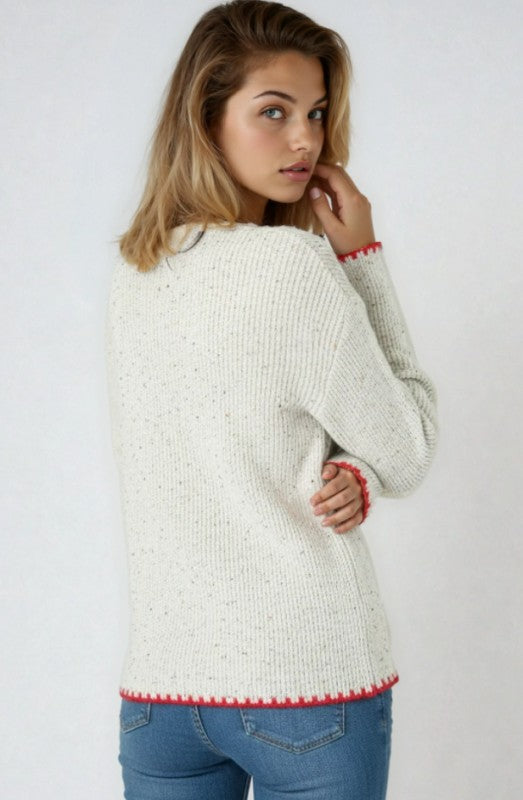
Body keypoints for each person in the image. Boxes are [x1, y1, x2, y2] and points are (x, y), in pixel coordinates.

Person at [105, 1, 439, 798]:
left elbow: (238, 438)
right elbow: (409, 449)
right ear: (206, 118)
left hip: (161, 692)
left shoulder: (134, 271)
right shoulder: (292, 267)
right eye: (273, 111)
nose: (305, 140)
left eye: (316, 113)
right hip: (304, 685)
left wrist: (350, 471)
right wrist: (360, 256)